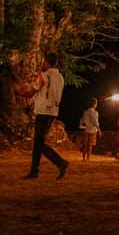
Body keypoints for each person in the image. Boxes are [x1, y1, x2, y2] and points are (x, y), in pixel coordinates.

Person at [26, 52, 68, 180]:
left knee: (38, 142)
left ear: (47, 62)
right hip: (53, 112)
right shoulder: (60, 77)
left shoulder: (44, 75)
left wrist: (17, 91)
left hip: (43, 111)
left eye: (43, 62)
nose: (42, 64)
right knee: (39, 141)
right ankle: (35, 171)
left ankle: (60, 162)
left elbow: (30, 93)